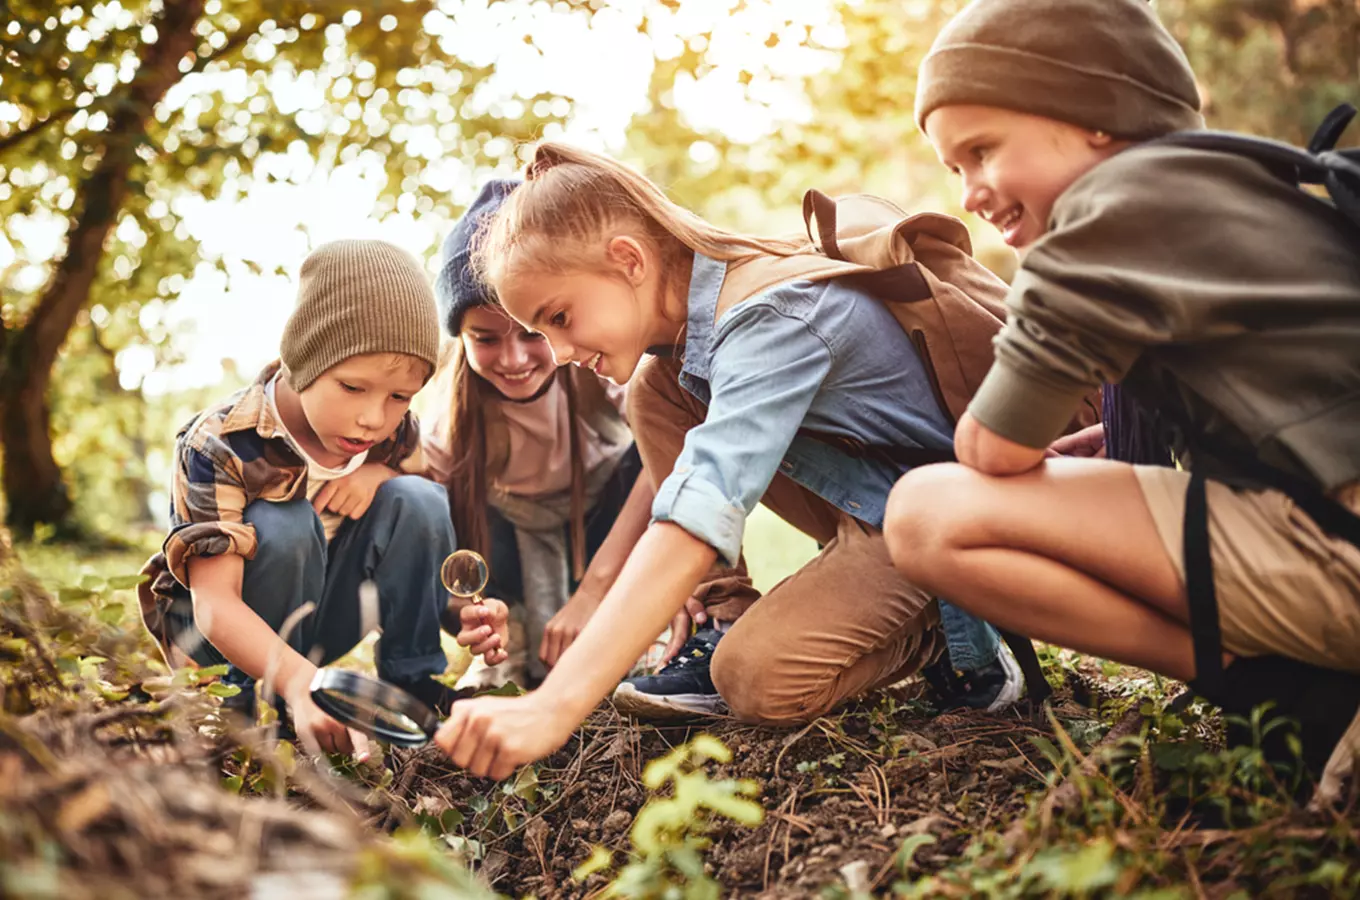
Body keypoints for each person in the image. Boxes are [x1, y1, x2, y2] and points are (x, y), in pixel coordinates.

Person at [430, 142, 1026, 780]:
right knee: (656, 391)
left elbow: (699, 509)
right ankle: (726, 616)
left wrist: (553, 705)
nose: (562, 351)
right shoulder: (678, 355)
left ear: (627, 260)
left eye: (559, 318)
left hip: (949, 523)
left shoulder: (770, 316)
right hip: (878, 506)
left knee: (755, 678)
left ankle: (962, 627)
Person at [884, 0, 1360, 778]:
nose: (969, 192)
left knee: (929, 513)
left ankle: (1283, 690)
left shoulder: (1109, 212)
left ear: (1095, 117)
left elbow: (992, 447)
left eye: (981, 149)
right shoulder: (1234, 181)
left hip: (1341, 558)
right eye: (954, 168)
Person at [137, 239, 492, 757]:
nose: (374, 417)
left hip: (315, 620)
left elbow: (418, 506)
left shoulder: (388, 436)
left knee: (419, 498)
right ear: (304, 361)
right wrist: (301, 681)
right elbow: (214, 606)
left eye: (399, 397)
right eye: (352, 387)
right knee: (285, 521)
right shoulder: (221, 443)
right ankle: (250, 707)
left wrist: (461, 611)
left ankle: (413, 685)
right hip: (220, 639)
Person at [424, 179, 653, 687]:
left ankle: (638, 625)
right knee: (428, 500)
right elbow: (433, 538)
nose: (513, 359)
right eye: (485, 339)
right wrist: (468, 608)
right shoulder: (448, 422)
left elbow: (675, 457)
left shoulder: (596, 365)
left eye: (532, 334)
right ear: (461, 339)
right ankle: (510, 643)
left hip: (599, 532)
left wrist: (596, 587)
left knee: (654, 452)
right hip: (509, 547)